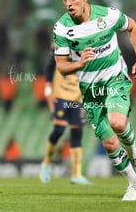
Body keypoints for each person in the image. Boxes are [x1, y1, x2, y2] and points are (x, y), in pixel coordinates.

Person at [52, 0, 136, 201]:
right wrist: (79, 63)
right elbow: (61, 67)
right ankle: (133, 184)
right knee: (109, 142)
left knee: (118, 122)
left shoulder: (108, 16)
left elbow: (132, 26)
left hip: (115, 78)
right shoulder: (62, 28)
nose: (68, 4)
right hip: (89, 89)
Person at [39, 48, 92, 185]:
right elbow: (51, 65)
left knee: (77, 133)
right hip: (61, 93)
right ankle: (47, 162)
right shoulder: (62, 40)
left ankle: (76, 174)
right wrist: (48, 91)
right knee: (59, 129)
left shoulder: (89, 41)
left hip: (78, 95)